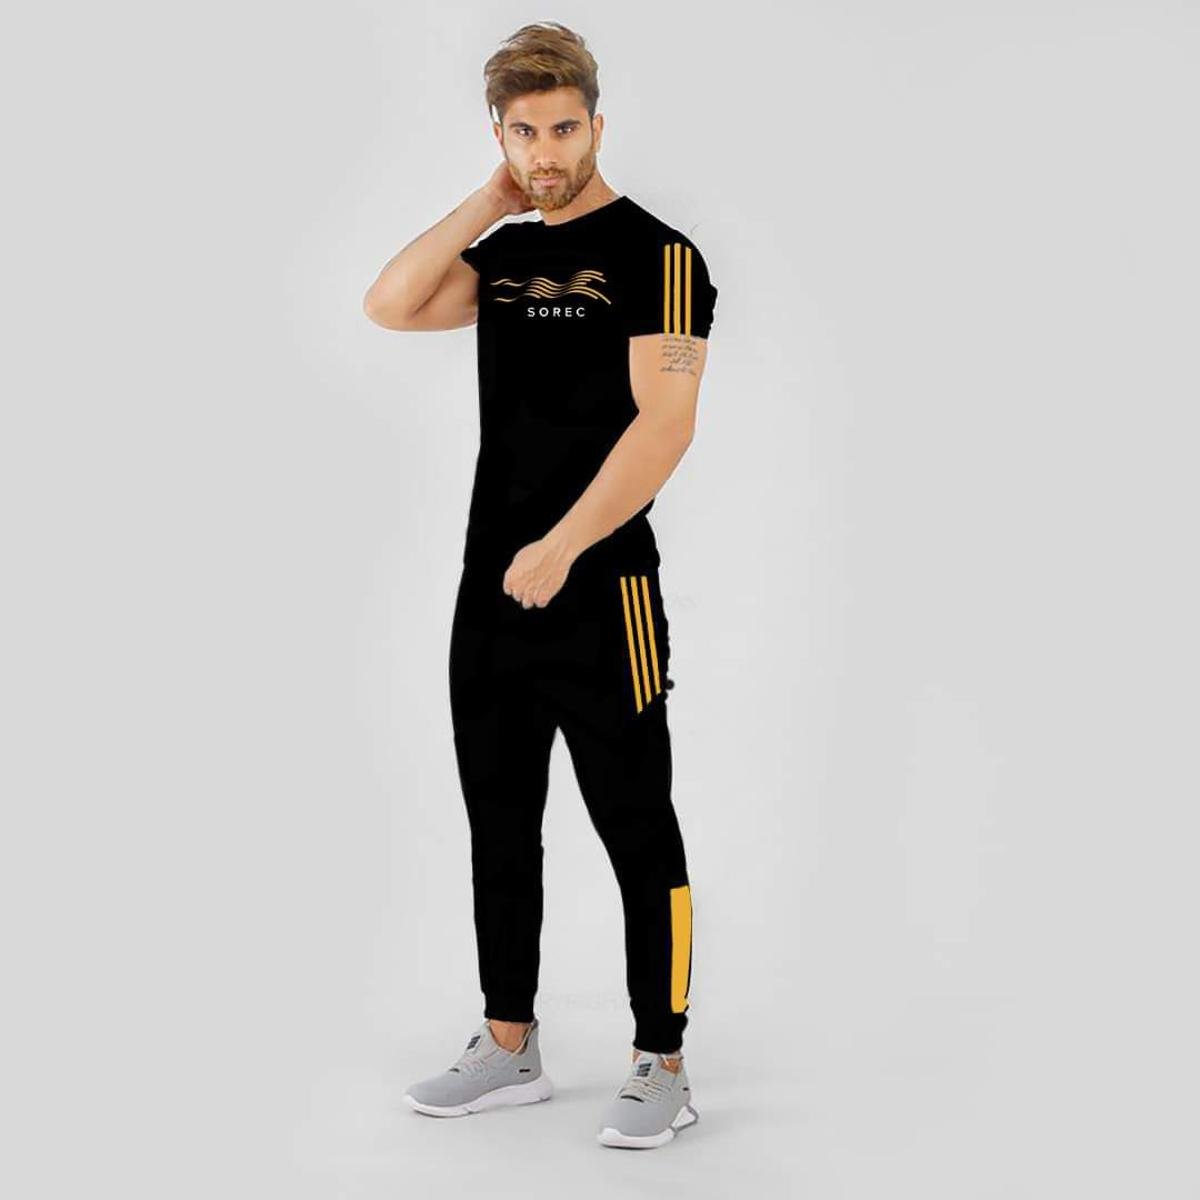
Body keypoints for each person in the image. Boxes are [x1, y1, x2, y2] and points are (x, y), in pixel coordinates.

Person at [363, 21, 717, 1150]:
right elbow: (390, 303)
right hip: (491, 596)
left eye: (565, 128)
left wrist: (563, 545)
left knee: (636, 824)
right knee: (500, 823)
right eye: (526, 132)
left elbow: (665, 427)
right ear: (503, 136)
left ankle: (663, 1062)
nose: (548, 150)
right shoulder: (507, 257)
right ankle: (508, 1044)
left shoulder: (660, 255)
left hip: (603, 594)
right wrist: (491, 199)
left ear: (597, 124)